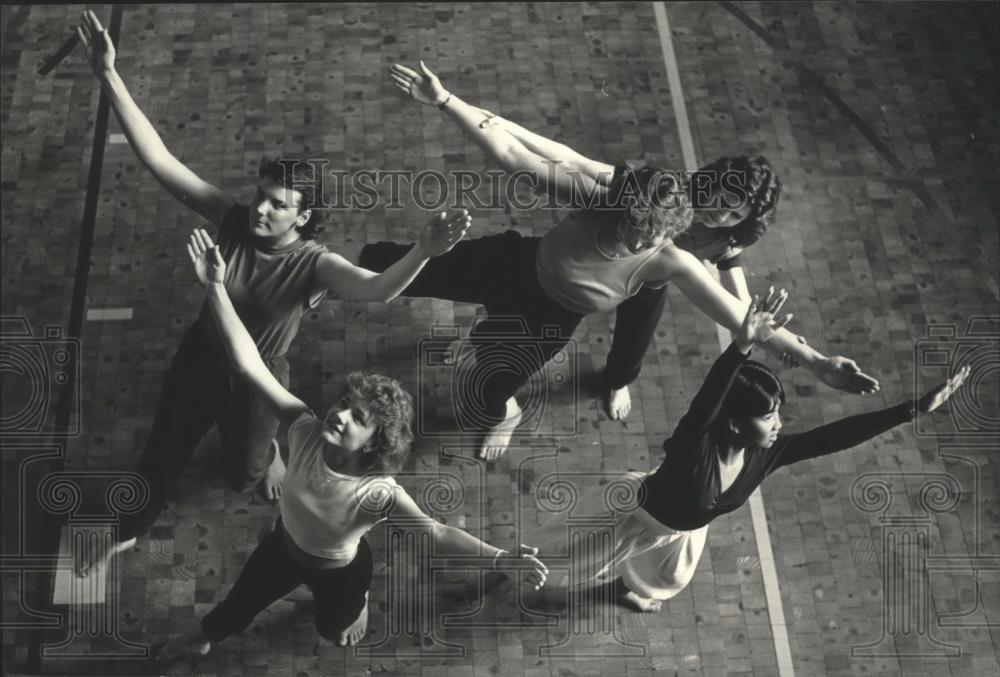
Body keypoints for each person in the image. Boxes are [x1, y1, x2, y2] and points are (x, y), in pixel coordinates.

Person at [73, 12, 471, 577]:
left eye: (278, 204)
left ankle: (270, 453)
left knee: (242, 472)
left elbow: (378, 290)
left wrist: (423, 251)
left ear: (303, 216)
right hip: (202, 360)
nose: (261, 208)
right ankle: (125, 534)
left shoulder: (314, 263)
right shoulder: (233, 219)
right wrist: (109, 75)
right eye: (261, 195)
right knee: (159, 457)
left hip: (260, 380)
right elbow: (158, 159)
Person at [362, 61, 878, 462]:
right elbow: (514, 154)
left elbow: (739, 315)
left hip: (551, 315)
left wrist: (818, 362)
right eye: (634, 220)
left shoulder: (674, 262)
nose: (638, 233)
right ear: (625, 205)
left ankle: (509, 410)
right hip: (515, 263)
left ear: (672, 231)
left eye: (652, 230)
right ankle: (315, 264)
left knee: (490, 384)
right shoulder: (599, 197)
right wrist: (445, 100)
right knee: (398, 266)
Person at [156, 229, 548, 658]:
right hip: (282, 548)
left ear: (373, 444)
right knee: (238, 604)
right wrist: (215, 287)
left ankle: (355, 605)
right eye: (345, 402)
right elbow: (249, 363)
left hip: (340, 574)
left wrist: (501, 560)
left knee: (333, 629)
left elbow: (437, 533)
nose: (338, 413)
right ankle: (201, 639)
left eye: (357, 417)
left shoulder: (376, 493)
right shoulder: (304, 429)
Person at [522, 288, 969, 612]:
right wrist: (742, 345)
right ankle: (491, 572)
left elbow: (833, 437)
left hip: (678, 532)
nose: (779, 426)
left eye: (778, 414)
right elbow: (705, 402)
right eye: (769, 417)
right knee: (551, 561)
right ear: (734, 421)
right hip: (629, 516)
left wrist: (912, 409)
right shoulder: (691, 449)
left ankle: (620, 590)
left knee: (669, 578)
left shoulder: (765, 455)